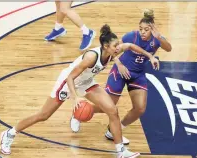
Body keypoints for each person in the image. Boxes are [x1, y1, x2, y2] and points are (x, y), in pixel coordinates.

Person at [0, 24, 157, 158]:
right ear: (105, 46)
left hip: (87, 82)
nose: (118, 48)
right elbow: (70, 77)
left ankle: (121, 152)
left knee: (112, 110)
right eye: (115, 46)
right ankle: (9, 133)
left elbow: (130, 46)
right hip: (68, 83)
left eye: (117, 45)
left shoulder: (111, 51)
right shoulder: (91, 57)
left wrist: (149, 56)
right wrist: (75, 99)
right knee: (44, 115)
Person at [70, 9, 172, 145]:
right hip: (120, 72)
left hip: (137, 75)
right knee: (108, 106)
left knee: (140, 108)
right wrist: (119, 64)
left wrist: (159, 37)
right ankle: (80, 113)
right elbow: (113, 50)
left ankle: (113, 131)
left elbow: (169, 48)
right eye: (140, 29)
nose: (142, 32)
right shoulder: (132, 36)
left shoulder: (157, 39)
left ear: (152, 30)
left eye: (146, 29)